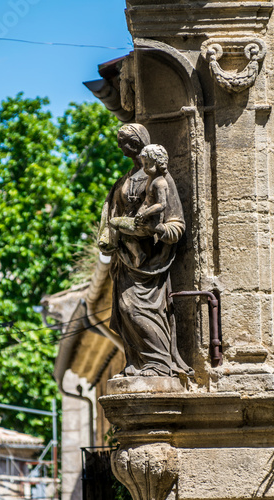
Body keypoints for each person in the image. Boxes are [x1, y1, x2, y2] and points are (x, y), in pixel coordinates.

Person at [98, 124, 194, 379]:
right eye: (119, 140)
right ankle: (137, 363)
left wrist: (158, 230)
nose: (121, 145)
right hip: (125, 257)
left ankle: (159, 365)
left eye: (126, 140)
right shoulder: (124, 180)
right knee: (124, 308)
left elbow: (176, 223)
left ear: (140, 141)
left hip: (150, 261)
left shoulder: (160, 180)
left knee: (135, 308)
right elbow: (113, 214)